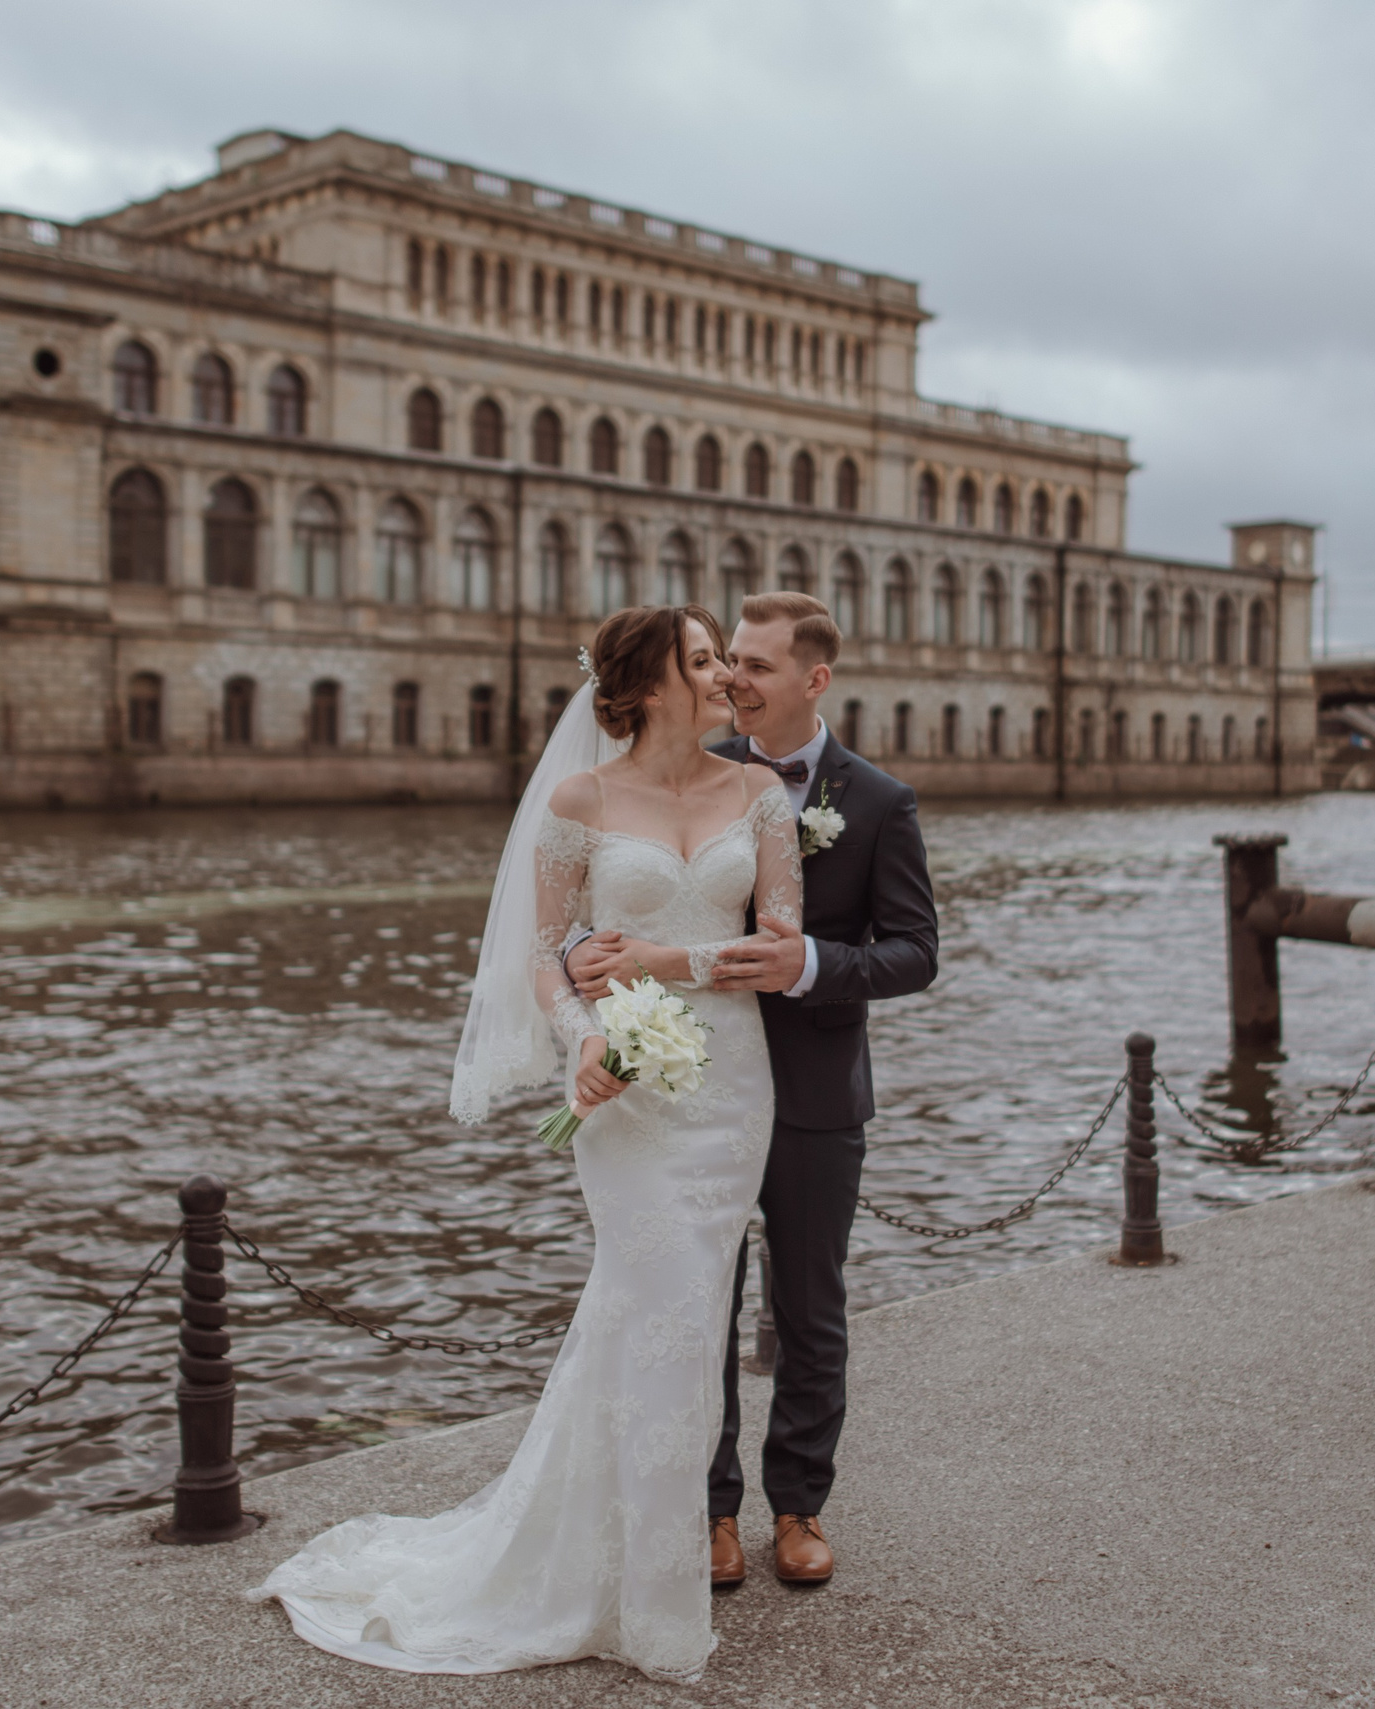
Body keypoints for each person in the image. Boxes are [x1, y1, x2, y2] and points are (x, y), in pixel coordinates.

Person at [252, 605, 804, 1682]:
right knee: (656, 1311)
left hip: (731, 1086)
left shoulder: (761, 794)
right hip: (626, 1099)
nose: (725, 677)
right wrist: (585, 1038)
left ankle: (634, 1570)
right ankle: (647, 1595)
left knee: (686, 1322)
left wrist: (660, 961)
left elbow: (779, 947)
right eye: (701, 662)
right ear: (648, 687)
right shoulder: (579, 799)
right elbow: (544, 959)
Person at [569, 591, 938, 1590]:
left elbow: (913, 954)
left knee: (809, 1307)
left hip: (814, 1091)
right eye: (725, 657)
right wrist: (588, 965)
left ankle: (799, 1506)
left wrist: (812, 964)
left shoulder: (876, 801)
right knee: (700, 1305)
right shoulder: (694, 772)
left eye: (757, 664)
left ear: (815, 680)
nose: (733, 677)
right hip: (691, 1084)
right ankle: (712, 1508)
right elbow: (596, 896)